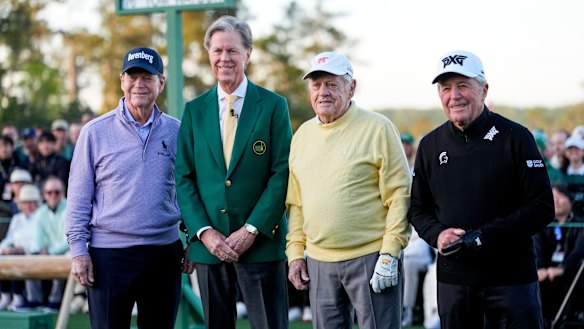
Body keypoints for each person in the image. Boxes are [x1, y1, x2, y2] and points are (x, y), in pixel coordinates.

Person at [407, 50, 555, 328]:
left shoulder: (516, 137)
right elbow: (417, 208)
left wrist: (484, 237)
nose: (454, 96)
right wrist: (438, 235)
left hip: (512, 280)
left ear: (484, 90)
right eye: (446, 88)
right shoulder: (429, 145)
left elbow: (542, 207)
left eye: (463, 86)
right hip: (455, 281)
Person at [175, 15, 292, 329]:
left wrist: (252, 229)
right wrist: (204, 232)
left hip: (262, 245)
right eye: (217, 51)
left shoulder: (273, 106)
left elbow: (282, 174)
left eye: (232, 50)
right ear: (209, 55)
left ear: (248, 53)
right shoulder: (194, 110)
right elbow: (184, 178)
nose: (224, 58)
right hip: (210, 248)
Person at [66, 46, 194, 329]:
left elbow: (188, 192)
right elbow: (77, 198)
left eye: (147, 77)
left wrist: (193, 239)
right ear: (122, 80)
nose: (139, 84)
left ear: (160, 83)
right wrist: (78, 251)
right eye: (133, 76)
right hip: (109, 257)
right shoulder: (94, 132)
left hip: (164, 254)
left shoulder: (178, 131)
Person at [286, 51, 411, 329]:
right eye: (317, 85)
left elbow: (400, 195)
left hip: (372, 257)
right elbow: (295, 204)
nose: (323, 92)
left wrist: (390, 252)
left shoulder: (378, 128)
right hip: (319, 262)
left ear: (351, 86)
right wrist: (295, 254)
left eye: (332, 83)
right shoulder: (302, 136)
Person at [533, 184, 584, 327]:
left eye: (560, 197)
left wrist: (563, 267)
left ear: (570, 200)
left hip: (570, 270)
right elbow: (537, 248)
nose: (555, 201)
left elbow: (579, 250)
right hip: (547, 271)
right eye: (552, 198)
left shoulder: (579, 223)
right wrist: (541, 268)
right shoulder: (544, 224)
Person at [25, 176, 69, 311]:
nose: (53, 195)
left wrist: (51, 252)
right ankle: (34, 299)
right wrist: (39, 250)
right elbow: (37, 240)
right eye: (49, 192)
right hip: (49, 251)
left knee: (64, 257)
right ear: (44, 195)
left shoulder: (70, 208)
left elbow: (70, 240)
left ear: (63, 193)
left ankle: (55, 301)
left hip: (66, 251)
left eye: (57, 192)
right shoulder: (40, 213)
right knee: (31, 257)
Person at [0, 184, 42, 310]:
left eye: (31, 203)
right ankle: (6, 295)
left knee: (16, 257)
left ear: (36, 203)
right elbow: (8, 239)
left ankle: (18, 296)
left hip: (31, 253)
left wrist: (22, 249)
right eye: (25, 203)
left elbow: (40, 242)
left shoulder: (40, 217)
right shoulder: (17, 219)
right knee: (4, 256)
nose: (28, 206)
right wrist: (4, 249)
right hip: (15, 252)